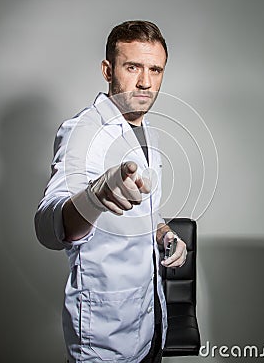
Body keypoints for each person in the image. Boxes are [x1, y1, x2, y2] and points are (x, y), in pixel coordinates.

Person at [35, 20, 187, 363]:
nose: (145, 82)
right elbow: (47, 226)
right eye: (132, 67)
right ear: (108, 70)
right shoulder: (82, 132)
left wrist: (164, 233)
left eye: (155, 70)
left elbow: (144, 209)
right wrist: (94, 197)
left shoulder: (149, 131)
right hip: (105, 336)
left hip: (150, 320)